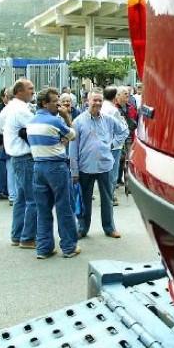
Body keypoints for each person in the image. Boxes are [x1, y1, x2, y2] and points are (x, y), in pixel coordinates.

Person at [27, 88, 81, 259]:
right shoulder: (54, 121)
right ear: (45, 103)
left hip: (38, 166)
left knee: (43, 209)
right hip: (56, 167)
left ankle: (44, 248)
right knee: (64, 207)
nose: (59, 105)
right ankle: (69, 246)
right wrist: (66, 117)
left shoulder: (32, 121)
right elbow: (73, 134)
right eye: (55, 102)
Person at [69, 89, 128, 239]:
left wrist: (113, 144)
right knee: (85, 200)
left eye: (100, 100)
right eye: (94, 100)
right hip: (85, 167)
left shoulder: (108, 119)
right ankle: (82, 228)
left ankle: (109, 228)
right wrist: (74, 171)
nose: (97, 103)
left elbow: (124, 131)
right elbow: (73, 149)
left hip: (105, 166)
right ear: (87, 101)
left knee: (107, 199)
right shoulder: (78, 122)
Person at [3, 78, 37, 249]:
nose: (33, 91)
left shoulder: (12, 107)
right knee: (32, 200)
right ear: (19, 92)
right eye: (30, 88)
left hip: (17, 157)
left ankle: (17, 235)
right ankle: (28, 237)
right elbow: (39, 127)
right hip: (25, 158)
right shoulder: (21, 110)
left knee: (21, 199)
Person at [101, 86, 127, 205]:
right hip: (113, 145)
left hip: (103, 144)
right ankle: (109, 197)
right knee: (112, 173)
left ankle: (107, 196)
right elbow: (122, 130)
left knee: (106, 172)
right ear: (115, 96)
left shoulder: (102, 107)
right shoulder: (113, 110)